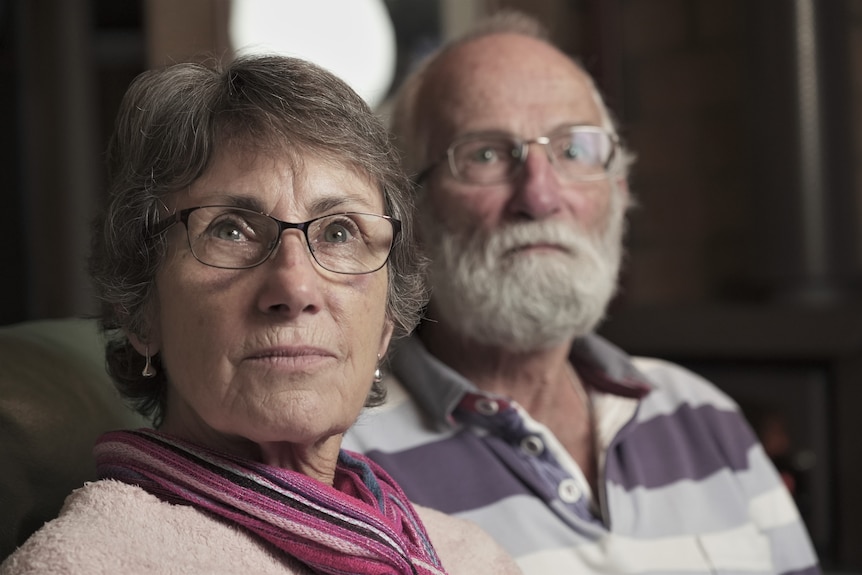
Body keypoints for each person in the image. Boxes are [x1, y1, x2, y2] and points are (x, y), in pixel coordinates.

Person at [0, 55, 521, 575]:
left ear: (386, 321)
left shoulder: (469, 555)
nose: (294, 287)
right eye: (230, 229)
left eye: (339, 232)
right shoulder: (88, 564)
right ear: (140, 311)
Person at [343, 11, 822, 575]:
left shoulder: (702, 414)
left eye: (574, 151)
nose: (541, 196)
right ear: (412, 211)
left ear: (619, 188)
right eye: (487, 154)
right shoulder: (351, 462)